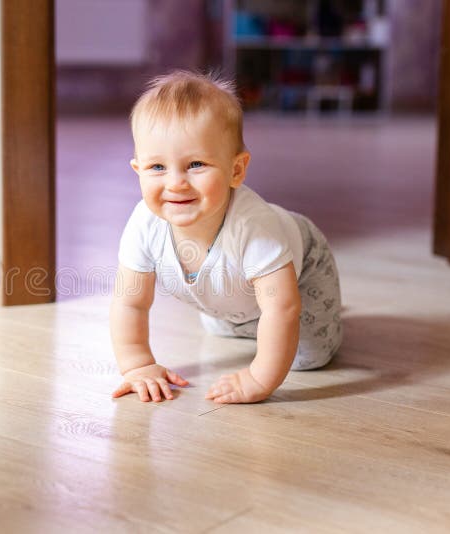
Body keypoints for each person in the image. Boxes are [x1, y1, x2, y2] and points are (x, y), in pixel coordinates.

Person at [110, 70, 342, 404]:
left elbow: (283, 308)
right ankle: (248, 318)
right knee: (223, 324)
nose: (175, 182)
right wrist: (137, 365)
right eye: (157, 168)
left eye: (196, 164)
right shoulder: (143, 224)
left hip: (304, 264)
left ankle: (323, 310)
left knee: (310, 356)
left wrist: (259, 379)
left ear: (236, 170)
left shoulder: (255, 227)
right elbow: (129, 301)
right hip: (233, 291)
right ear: (138, 171)